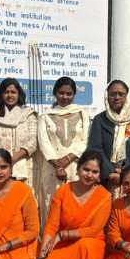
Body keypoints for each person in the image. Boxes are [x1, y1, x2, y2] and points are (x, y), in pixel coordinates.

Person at [35, 150, 112, 259]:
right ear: (77, 169)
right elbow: (51, 226)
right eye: (86, 169)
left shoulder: (104, 196)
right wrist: (42, 257)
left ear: (99, 175)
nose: (89, 175)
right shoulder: (63, 191)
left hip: (91, 243)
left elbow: (94, 230)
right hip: (63, 244)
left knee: (85, 246)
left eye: (94, 172)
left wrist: (63, 235)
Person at [37, 77, 90, 225]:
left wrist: (67, 159)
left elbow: (85, 140)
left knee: (75, 204)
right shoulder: (45, 116)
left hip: (75, 166)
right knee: (51, 204)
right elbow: (43, 142)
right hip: (51, 168)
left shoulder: (82, 113)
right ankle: (50, 238)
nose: (65, 97)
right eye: (61, 93)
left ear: (74, 94)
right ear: (55, 93)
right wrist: (57, 165)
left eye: (69, 93)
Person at [88, 80, 130, 194]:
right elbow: (95, 148)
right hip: (106, 178)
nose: (117, 97)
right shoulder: (99, 120)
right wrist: (110, 172)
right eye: (113, 94)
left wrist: (125, 172)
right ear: (107, 96)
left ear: (127, 96)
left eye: (121, 94)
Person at [0, 78, 37, 188]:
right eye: (6, 92)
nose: (10, 95)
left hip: (22, 165)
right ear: (1, 94)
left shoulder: (29, 114)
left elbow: (33, 140)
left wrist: (14, 157)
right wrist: (2, 159)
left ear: (19, 94)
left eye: (13, 92)